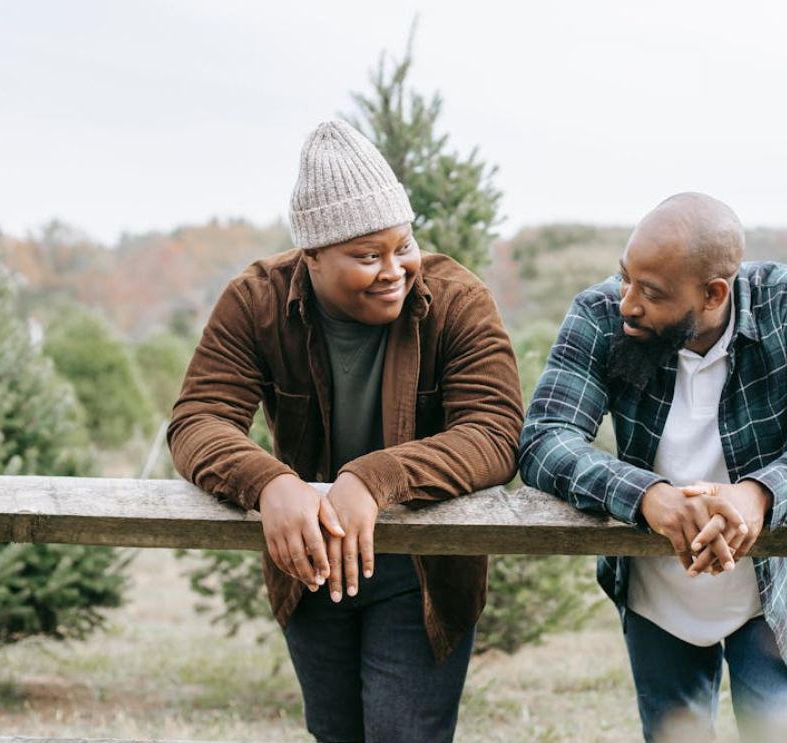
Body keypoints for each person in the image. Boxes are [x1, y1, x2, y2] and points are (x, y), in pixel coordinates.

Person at [168, 119, 523, 743]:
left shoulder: (458, 299)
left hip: (423, 568)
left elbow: (494, 431)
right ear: (311, 258)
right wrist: (270, 485)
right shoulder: (255, 301)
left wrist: (372, 478)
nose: (395, 270)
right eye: (367, 255)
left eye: (403, 245)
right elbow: (198, 420)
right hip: (309, 562)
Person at [519, 192, 787, 742]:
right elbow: (544, 439)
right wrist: (646, 496)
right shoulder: (599, 314)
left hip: (775, 593)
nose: (628, 303)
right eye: (625, 278)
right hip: (654, 591)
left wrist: (757, 495)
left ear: (713, 294)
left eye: (651, 292)